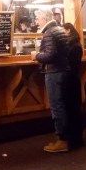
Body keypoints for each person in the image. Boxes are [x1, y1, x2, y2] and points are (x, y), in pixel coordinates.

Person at [33, 13, 71, 153]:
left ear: (45, 19)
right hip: (63, 70)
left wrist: (36, 56)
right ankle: (67, 138)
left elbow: (50, 55)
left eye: (38, 18)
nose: (36, 21)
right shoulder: (59, 30)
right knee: (63, 105)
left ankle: (62, 140)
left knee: (56, 106)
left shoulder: (49, 33)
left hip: (54, 72)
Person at [62, 22, 85, 149]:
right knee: (74, 109)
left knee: (72, 110)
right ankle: (76, 138)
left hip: (70, 81)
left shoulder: (74, 47)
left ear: (68, 30)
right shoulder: (75, 45)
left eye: (63, 31)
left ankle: (75, 138)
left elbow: (72, 67)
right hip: (73, 81)